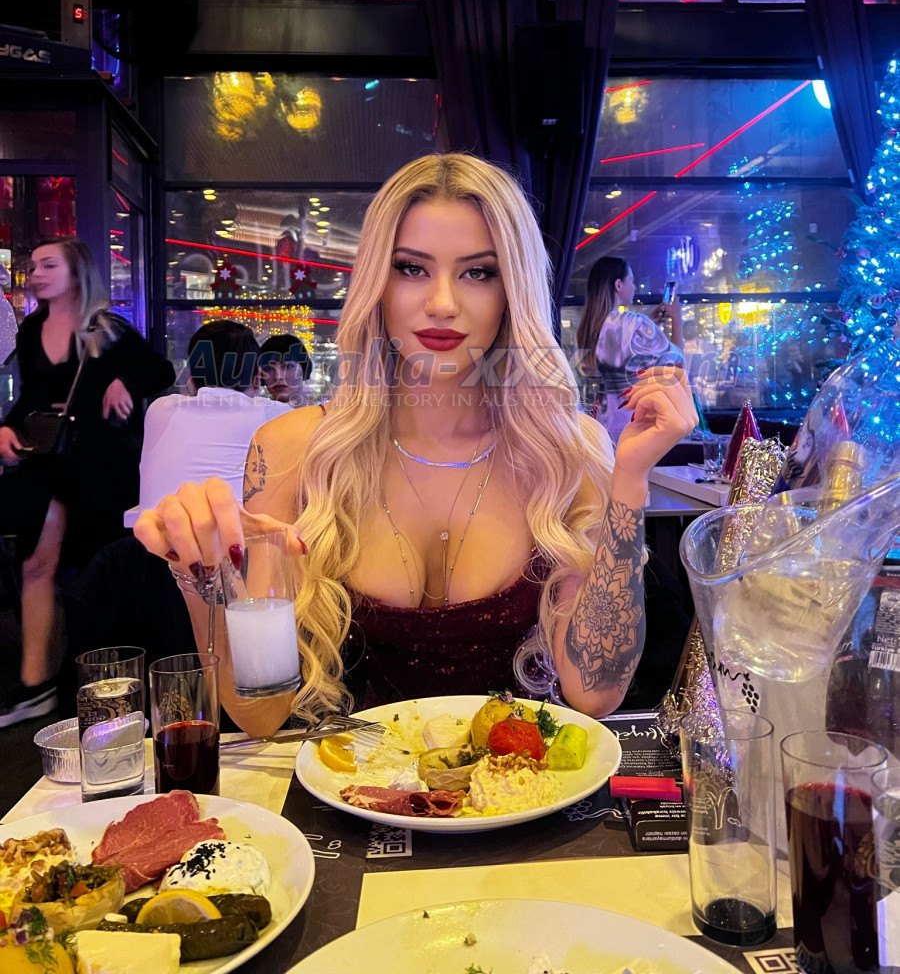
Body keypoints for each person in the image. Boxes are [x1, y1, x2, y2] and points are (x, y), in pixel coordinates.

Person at [135, 155, 696, 737]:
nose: (443, 303)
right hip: (354, 784)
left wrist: (629, 483)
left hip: (523, 783)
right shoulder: (292, 448)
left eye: (478, 272)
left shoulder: (564, 448)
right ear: (377, 284)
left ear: (513, 291)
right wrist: (199, 574)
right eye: (411, 268)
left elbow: (595, 692)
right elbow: (261, 713)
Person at [0, 237, 175, 727]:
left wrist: (124, 383)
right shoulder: (32, 329)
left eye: (48, 265)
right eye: (34, 266)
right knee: (38, 566)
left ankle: (85, 681)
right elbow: (32, 397)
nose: (36, 274)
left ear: (76, 273)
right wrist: (8, 428)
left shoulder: (106, 328)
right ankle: (38, 683)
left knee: (91, 571)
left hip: (101, 467)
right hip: (50, 463)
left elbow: (158, 369)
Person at [131, 321, 292, 521]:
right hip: (246, 539)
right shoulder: (278, 416)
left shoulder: (159, 411)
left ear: (191, 377)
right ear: (257, 377)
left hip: (154, 539)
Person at [575, 256, 684, 444]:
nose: (634, 287)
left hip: (601, 423)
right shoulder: (635, 324)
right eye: (631, 281)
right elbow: (676, 364)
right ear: (618, 285)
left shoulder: (588, 327)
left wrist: (649, 323)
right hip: (634, 422)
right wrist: (677, 319)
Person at [258, 333, 312, 406]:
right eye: (268, 369)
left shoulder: (322, 412)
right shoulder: (255, 412)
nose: (278, 376)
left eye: (288, 367)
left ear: (305, 369)